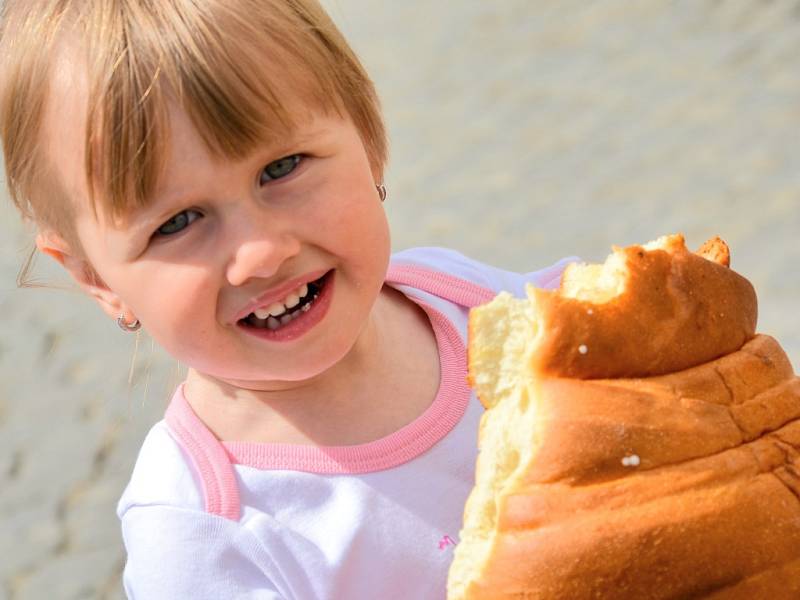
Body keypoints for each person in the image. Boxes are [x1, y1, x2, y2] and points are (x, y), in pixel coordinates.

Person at [0, 1, 576, 598]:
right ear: (96, 276)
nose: (262, 253)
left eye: (282, 168)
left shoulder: (475, 302)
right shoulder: (203, 535)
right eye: (177, 223)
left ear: (368, 136)